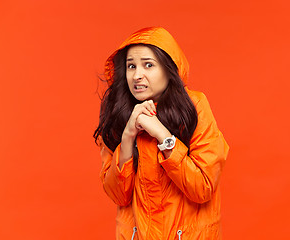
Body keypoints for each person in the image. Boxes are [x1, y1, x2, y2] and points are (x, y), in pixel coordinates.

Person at [94, 27, 229, 240]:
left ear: (168, 68)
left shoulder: (194, 107)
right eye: (131, 66)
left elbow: (203, 188)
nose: (137, 75)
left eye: (148, 65)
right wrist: (128, 135)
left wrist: (163, 136)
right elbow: (119, 196)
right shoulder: (119, 116)